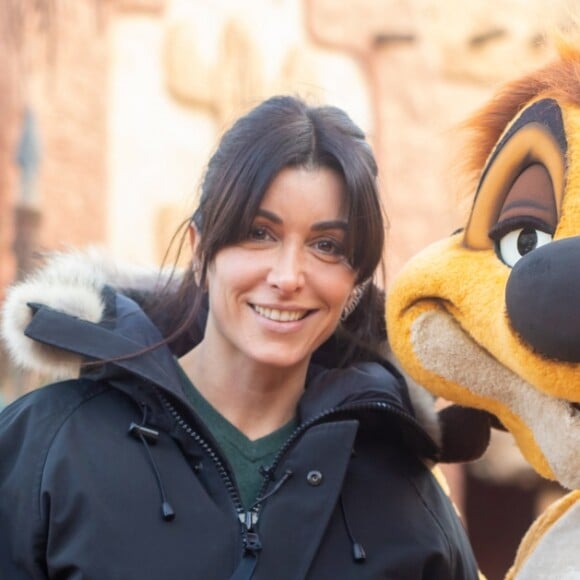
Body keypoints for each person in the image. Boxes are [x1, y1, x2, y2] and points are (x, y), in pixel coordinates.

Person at [0, 95, 479, 579]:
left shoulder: (409, 504)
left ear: (354, 283)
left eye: (326, 246)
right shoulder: (46, 449)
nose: (289, 276)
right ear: (200, 249)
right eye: (259, 233)